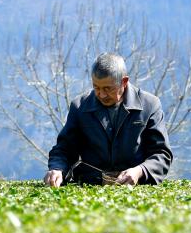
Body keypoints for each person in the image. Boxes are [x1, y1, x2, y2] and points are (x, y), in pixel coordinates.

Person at [44, 52, 173, 187]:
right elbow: (64, 149)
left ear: (124, 82)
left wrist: (140, 171)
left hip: (135, 187)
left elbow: (162, 154)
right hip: (89, 186)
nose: (101, 94)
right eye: (96, 87)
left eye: (108, 88)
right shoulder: (80, 107)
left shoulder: (150, 105)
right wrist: (57, 169)